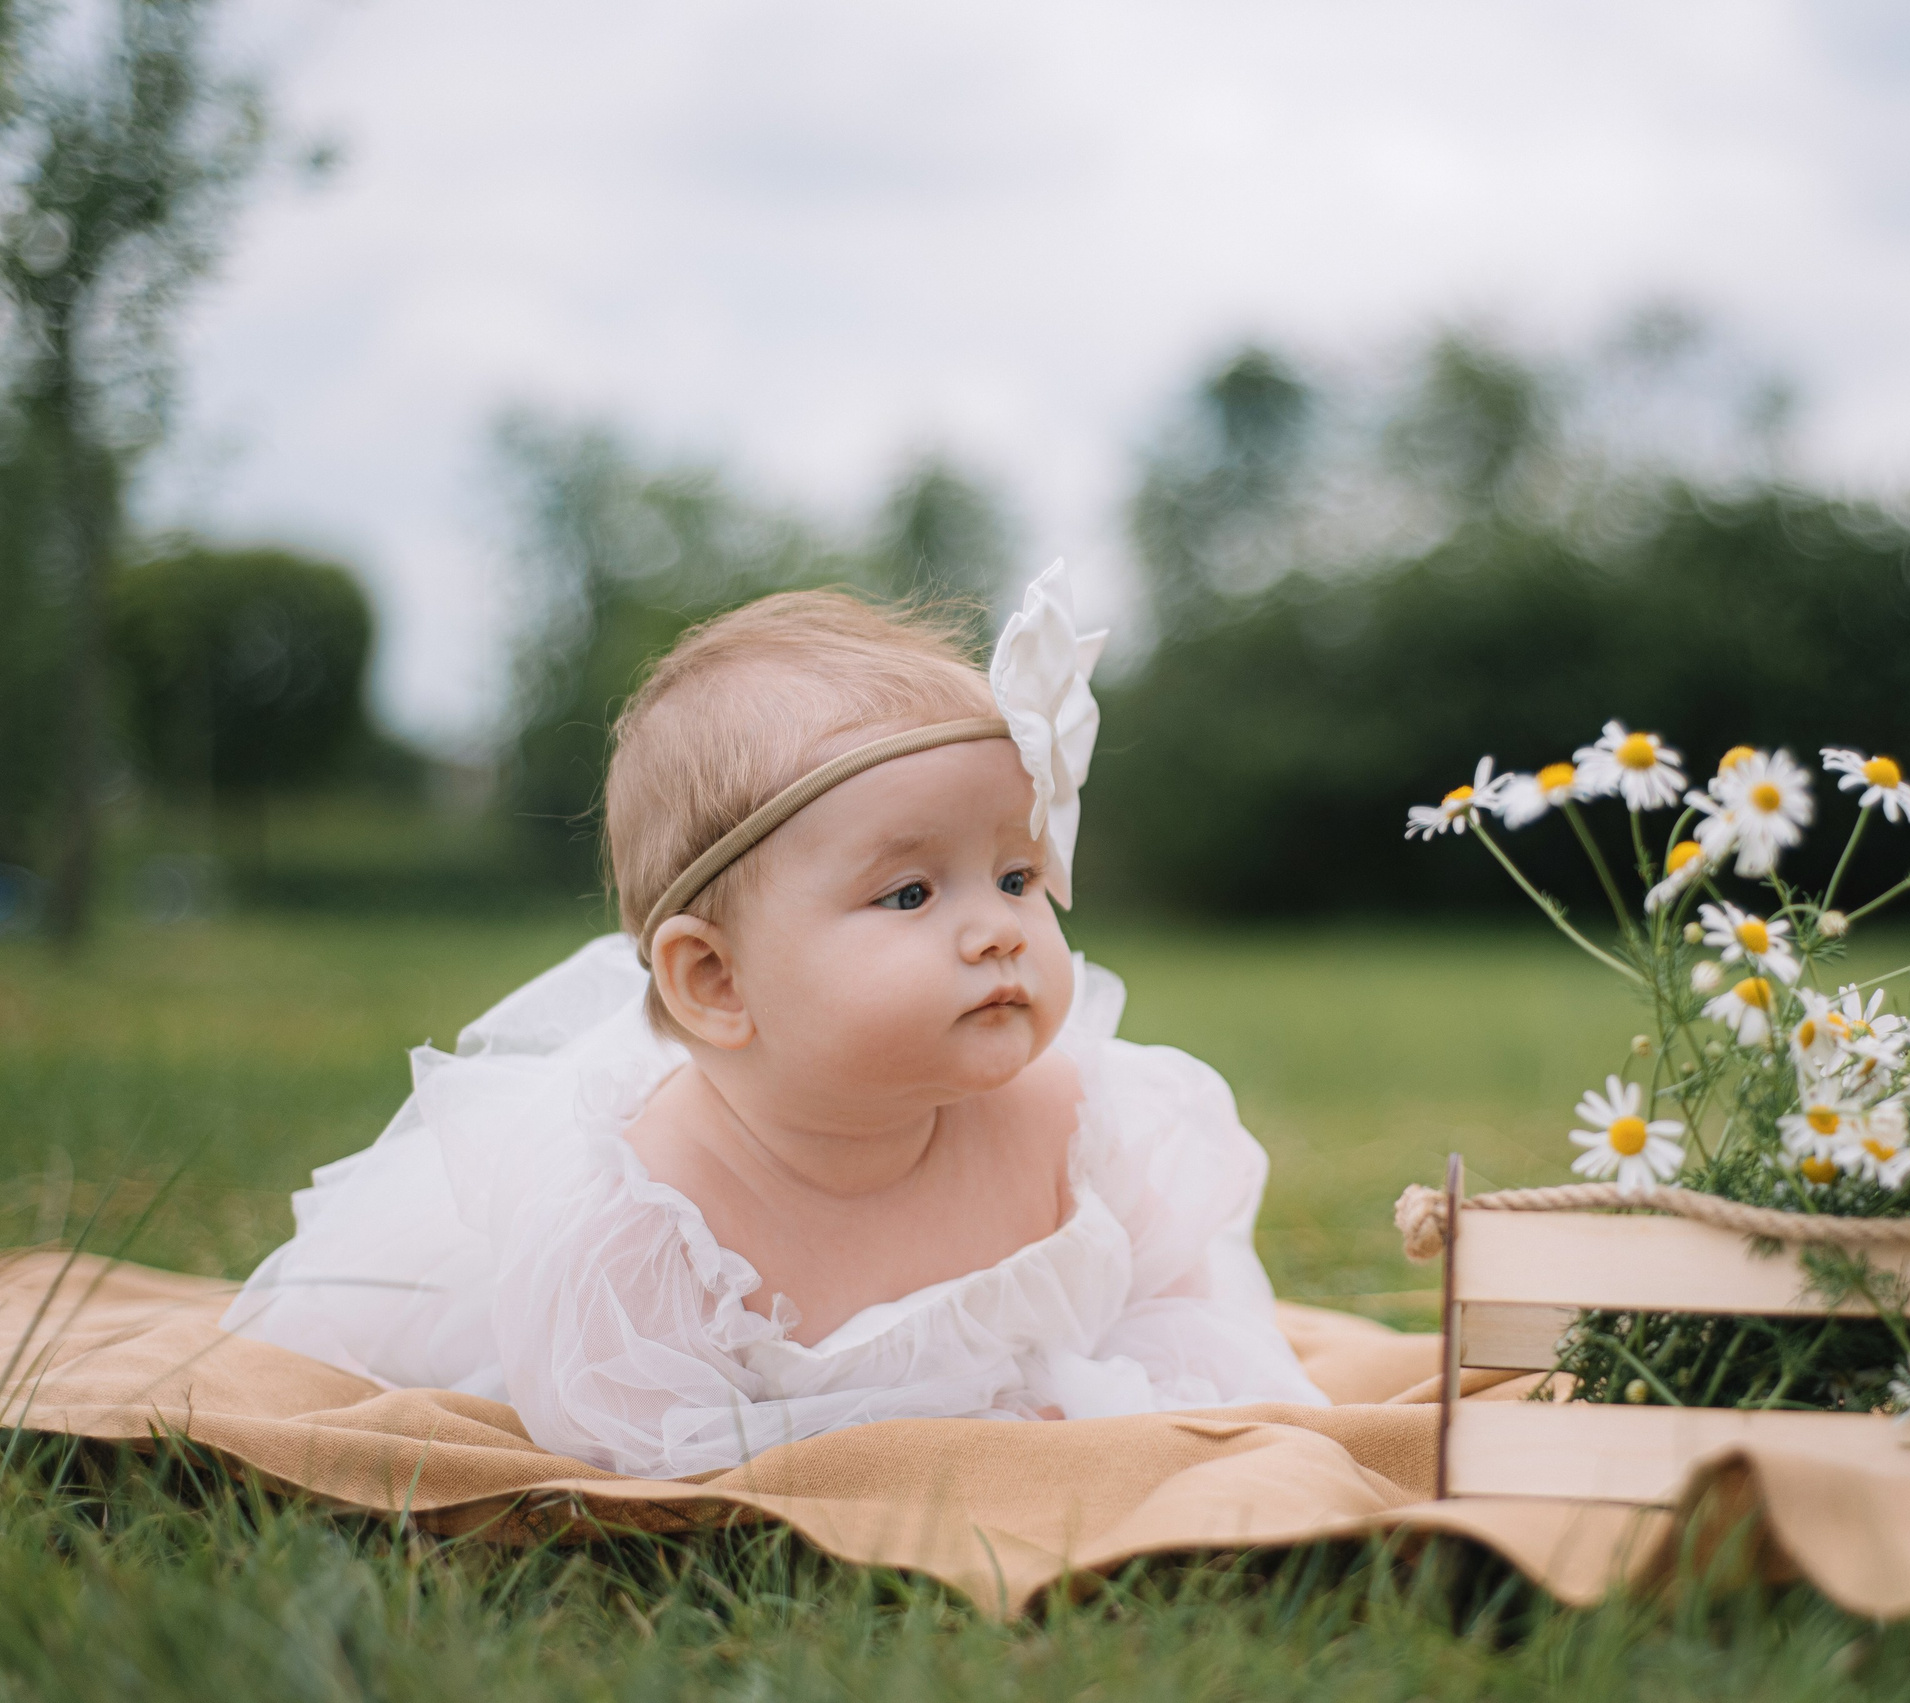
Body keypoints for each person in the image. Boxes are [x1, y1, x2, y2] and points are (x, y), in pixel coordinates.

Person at [222, 564, 1325, 1477]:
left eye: (1017, 873)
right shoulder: (652, 1225)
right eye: (910, 892)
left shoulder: (1084, 1120)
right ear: (717, 981)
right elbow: (654, 1449)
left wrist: (1105, 1401)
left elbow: (1181, 1312)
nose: (997, 928)